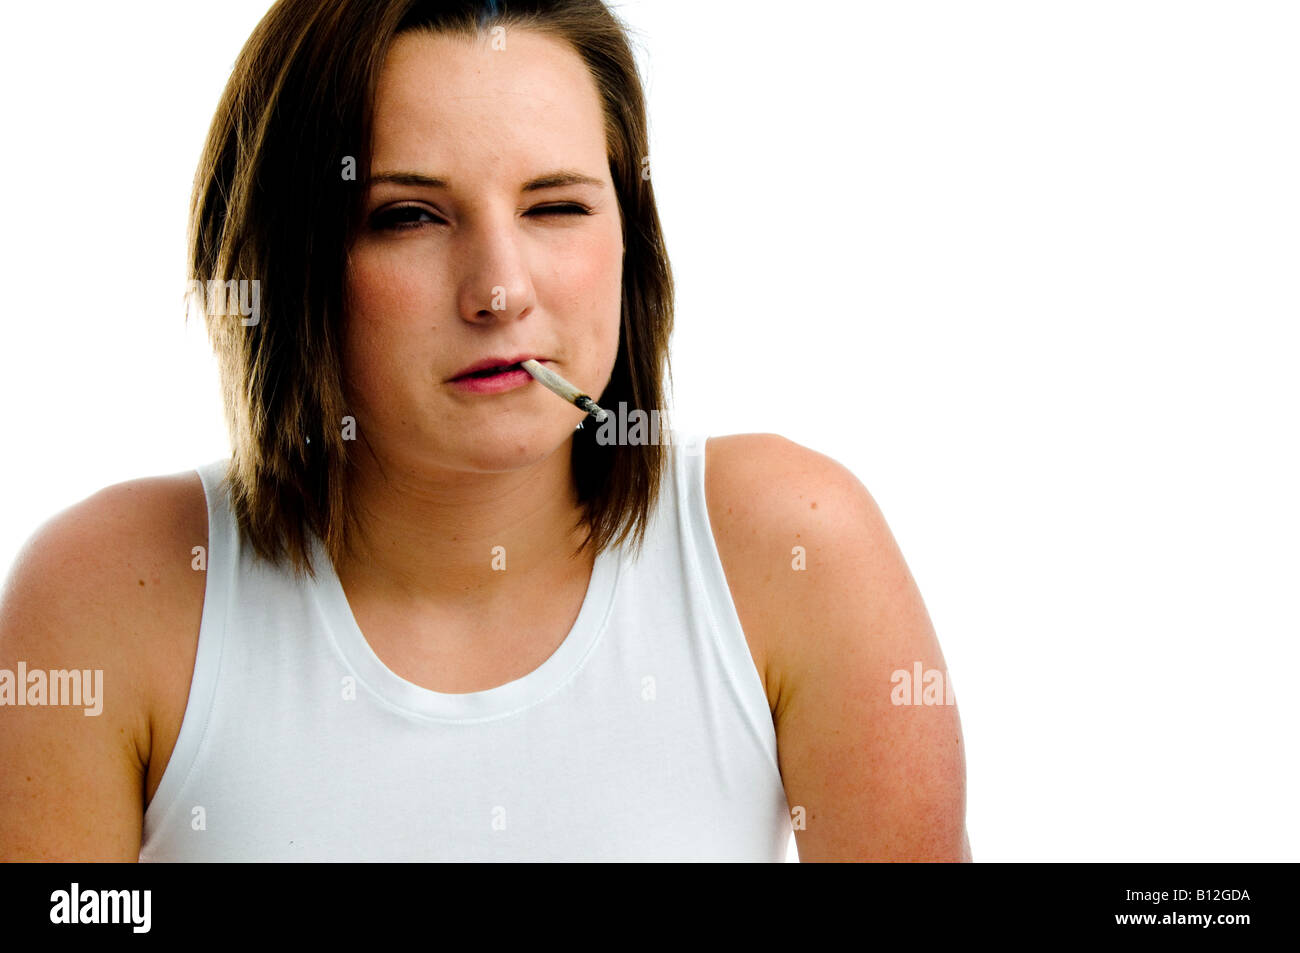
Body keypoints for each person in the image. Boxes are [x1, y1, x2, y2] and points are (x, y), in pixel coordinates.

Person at [0, 0, 969, 862]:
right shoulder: (107, 587)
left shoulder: (792, 543)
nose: (500, 289)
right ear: (287, 256)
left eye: (556, 206)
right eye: (409, 215)